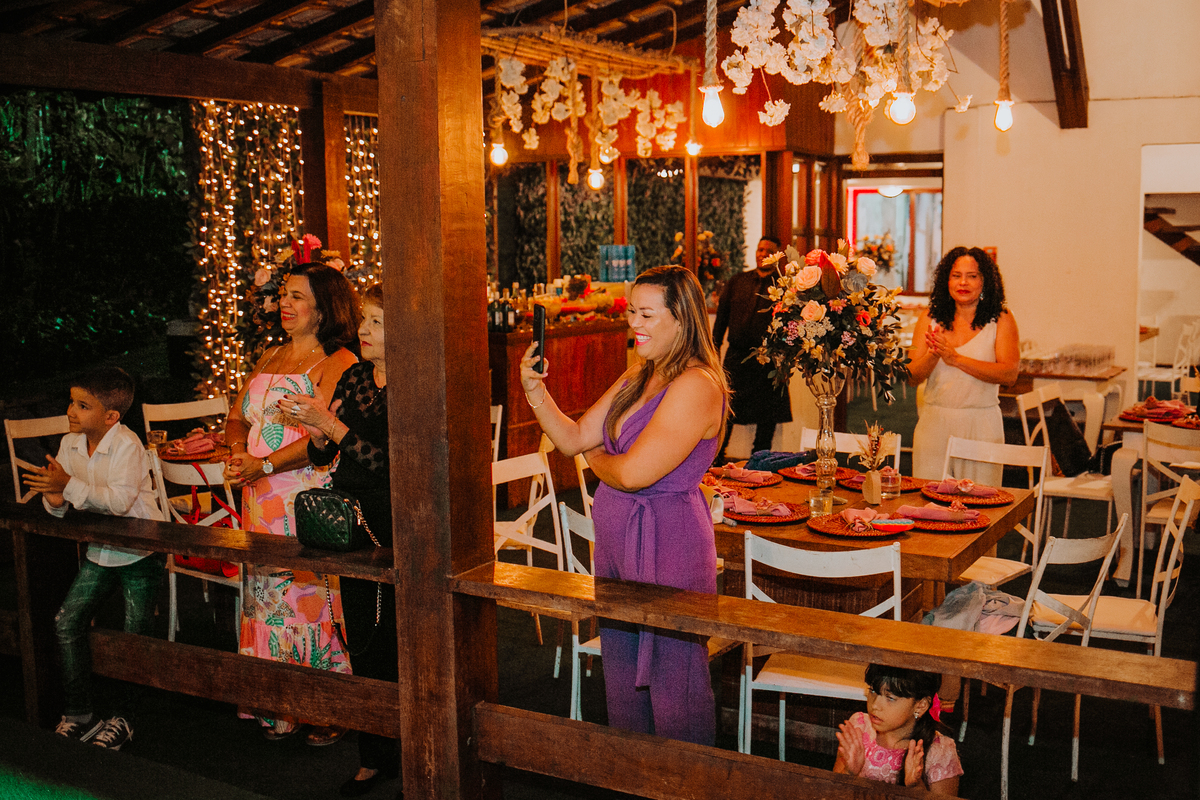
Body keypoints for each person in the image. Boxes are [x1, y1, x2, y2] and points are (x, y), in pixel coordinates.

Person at [519, 264, 729, 745]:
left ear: (682, 319)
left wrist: (600, 457)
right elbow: (572, 438)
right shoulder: (640, 374)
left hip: (668, 538)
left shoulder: (698, 385)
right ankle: (634, 777)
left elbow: (633, 474)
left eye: (647, 315)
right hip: (618, 540)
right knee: (622, 672)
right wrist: (535, 391)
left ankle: (687, 784)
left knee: (675, 680)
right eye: (632, 311)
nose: (634, 323)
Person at [223, 261, 360, 744]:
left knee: (308, 598)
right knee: (265, 598)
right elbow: (237, 416)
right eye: (284, 294)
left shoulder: (338, 362)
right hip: (257, 495)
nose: (285, 303)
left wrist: (264, 466)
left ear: (324, 308)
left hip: (303, 493)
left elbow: (323, 435)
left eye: (298, 296)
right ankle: (276, 704)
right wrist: (239, 452)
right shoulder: (269, 356)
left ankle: (326, 707)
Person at [284, 283, 400, 797]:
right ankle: (374, 756)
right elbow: (323, 459)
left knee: (399, 640)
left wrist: (332, 426)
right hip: (351, 520)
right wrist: (315, 432)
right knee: (363, 638)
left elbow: (392, 464)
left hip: (395, 521)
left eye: (377, 323)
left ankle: (415, 753)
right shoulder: (355, 376)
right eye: (366, 322)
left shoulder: (414, 383)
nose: (365, 332)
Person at [24, 367, 165, 751]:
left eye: (82, 405)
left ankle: (124, 717)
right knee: (66, 622)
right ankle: (79, 713)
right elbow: (62, 502)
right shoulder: (71, 443)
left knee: (134, 637)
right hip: (100, 550)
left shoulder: (128, 445)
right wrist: (53, 498)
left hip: (139, 550)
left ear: (111, 417)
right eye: (71, 401)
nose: (71, 410)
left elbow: (119, 502)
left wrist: (65, 486)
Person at [908, 247, 1019, 484]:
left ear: (985, 281)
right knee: (929, 504)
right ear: (946, 281)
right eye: (956, 275)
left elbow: (1009, 373)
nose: (963, 282)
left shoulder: (1000, 318)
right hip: (935, 424)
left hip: (981, 425)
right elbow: (911, 376)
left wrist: (956, 359)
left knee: (981, 505)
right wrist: (934, 355)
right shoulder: (929, 318)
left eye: (972, 276)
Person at [711, 235, 792, 463]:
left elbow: (791, 325)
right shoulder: (737, 281)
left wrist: (785, 361)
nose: (762, 253)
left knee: (767, 419)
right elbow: (721, 321)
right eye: (759, 249)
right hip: (736, 359)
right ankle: (715, 461)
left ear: (777, 255)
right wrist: (713, 352)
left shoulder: (785, 285)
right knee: (726, 413)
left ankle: (759, 465)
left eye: (768, 250)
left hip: (770, 361)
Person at [834, 664, 962, 794]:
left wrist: (916, 787)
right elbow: (833, 794)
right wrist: (849, 773)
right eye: (873, 691)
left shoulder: (939, 752)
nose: (875, 705)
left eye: (890, 698)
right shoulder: (859, 727)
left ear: (920, 705)